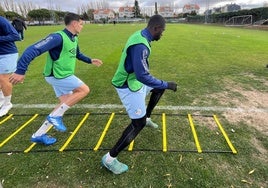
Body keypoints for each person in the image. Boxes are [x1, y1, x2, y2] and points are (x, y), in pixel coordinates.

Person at [9, 13, 103, 145]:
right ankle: (54, 116)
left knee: (63, 104)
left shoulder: (74, 38)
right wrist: (20, 70)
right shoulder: (57, 37)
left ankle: (39, 134)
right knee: (83, 90)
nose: (82, 27)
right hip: (57, 76)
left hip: (62, 75)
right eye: (81, 24)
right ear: (75, 24)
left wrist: (90, 60)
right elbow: (32, 49)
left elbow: (77, 54)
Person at [101, 14, 177, 174]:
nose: (162, 34)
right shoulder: (141, 45)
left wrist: (162, 85)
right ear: (156, 28)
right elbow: (142, 75)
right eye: (162, 31)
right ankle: (109, 159)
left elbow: (141, 74)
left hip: (134, 80)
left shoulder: (141, 35)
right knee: (138, 124)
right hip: (127, 84)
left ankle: (147, 117)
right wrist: (167, 84)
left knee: (158, 88)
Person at [0, 16, 21, 117]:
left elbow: (16, 36)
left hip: (7, 54)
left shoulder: (1, 20)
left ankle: (7, 104)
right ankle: (1, 100)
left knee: (3, 78)